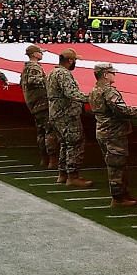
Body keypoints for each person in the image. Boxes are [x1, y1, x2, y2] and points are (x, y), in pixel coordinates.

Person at [88, 63, 137, 207]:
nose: (115, 75)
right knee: (116, 166)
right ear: (105, 75)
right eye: (112, 73)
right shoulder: (109, 92)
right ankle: (118, 198)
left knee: (117, 165)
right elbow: (121, 111)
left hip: (104, 131)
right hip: (113, 133)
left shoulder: (95, 90)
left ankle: (123, 194)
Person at [46, 49, 90, 188]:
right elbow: (71, 93)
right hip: (67, 114)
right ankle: (73, 176)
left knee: (65, 144)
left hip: (56, 114)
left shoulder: (53, 72)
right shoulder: (63, 74)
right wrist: (91, 98)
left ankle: (63, 174)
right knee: (74, 144)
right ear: (70, 60)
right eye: (75, 60)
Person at [19, 45, 56, 169]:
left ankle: (44, 158)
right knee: (49, 130)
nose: (42, 54)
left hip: (33, 102)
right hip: (41, 102)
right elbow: (33, 81)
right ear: (34, 54)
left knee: (40, 132)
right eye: (40, 52)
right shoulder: (34, 67)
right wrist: (49, 81)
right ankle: (52, 159)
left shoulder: (26, 67)